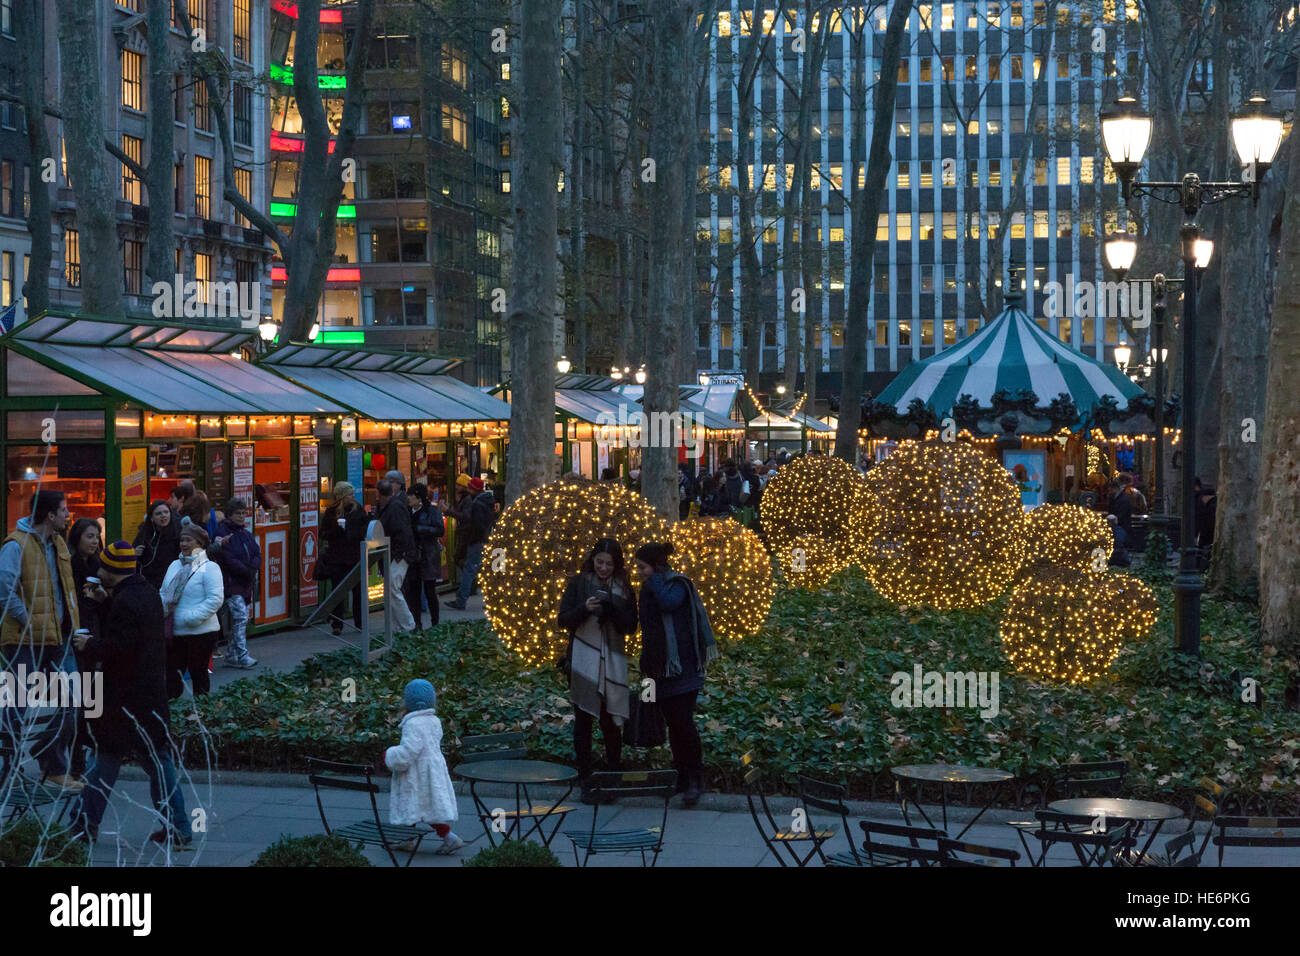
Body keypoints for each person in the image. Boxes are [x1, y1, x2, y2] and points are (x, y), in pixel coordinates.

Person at [72, 542, 191, 846]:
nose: (99, 573)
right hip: (149, 695)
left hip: (127, 699)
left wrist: (90, 646)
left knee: (109, 757)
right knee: (153, 760)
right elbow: (134, 629)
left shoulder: (125, 601)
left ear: (113, 572)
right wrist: (104, 602)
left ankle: (85, 824)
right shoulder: (144, 592)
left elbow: (121, 647)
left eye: (103, 568)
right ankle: (178, 826)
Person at [0, 490, 81, 790]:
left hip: (57, 636)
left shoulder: (58, 543)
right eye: (63, 509)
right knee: (16, 705)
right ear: (49, 515)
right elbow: (4, 590)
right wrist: (29, 621)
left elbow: (62, 588)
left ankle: (52, 763)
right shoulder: (15, 545)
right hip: (23, 640)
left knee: (72, 700)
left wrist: (72, 622)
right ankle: (5, 771)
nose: (67, 514)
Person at [633, 541, 717, 807]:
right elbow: (647, 628)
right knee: (673, 725)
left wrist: (655, 579)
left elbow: (668, 605)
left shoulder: (676, 585)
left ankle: (695, 778)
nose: (639, 572)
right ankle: (681, 776)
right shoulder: (649, 588)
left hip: (684, 667)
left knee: (684, 724)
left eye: (643, 567)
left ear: (656, 566)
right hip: (659, 668)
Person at [557, 539, 638, 803]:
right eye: (599, 562)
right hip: (582, 662)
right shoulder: (579, 584)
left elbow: (631, 626)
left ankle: (613, 773)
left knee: (610, 720)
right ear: (592, 560)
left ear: (617, 565)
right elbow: (563, 619)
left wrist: (612, 609)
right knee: (583, 721)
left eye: (609, 564)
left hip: (612, 662)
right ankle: (585, 775)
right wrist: (585, 609)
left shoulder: (625, 589)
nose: (603, 568)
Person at [384, 679, 464, 855]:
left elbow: (408, 752)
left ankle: (447, 837)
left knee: (413, 804)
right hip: (431, 771)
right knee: (425, 807)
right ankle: (411, 839)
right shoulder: (434, 720)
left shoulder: (413, 724)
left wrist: (390, 755)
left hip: (416, 774)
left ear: (408, 701)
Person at [161, 523, 224, 699]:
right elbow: (164, 592)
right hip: (175, 631)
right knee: (172, 677)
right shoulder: (174, 565)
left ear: (200, 543)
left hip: (201, 632)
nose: (184, 543)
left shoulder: (209, 567)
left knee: (199, 675)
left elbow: (215, 599)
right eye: (182, 540)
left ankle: (201, 716)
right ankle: (174, 715)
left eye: (188, 540)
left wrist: (191, 618)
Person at [66, 518, 103, 778]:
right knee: (75, 702)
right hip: (73, 636)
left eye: (96, 536)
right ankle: (74, 760)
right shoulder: (69, 567)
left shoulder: (98, 566)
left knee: (93, 699)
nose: (94, 541)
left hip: (94, 635)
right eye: (89, 536)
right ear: (77, 538)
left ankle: (90, 754)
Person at [209, 497, 260, 669]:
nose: (241, 516)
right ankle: (242, 654)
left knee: (241, 618)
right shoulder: (223, 533)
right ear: (230, 515)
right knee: (240, 617)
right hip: (231, 583)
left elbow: (256, 553)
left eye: (243, 513)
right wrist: (248, 569)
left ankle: (232, 654)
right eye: (237, 513)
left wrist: (252, 567)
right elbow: (227, 558)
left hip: (245, 582)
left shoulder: (245, 534)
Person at [319, 481, 363, 636]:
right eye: (350, 494)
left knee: (358, 591)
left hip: (354, 556)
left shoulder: (358, 510)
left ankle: (360, 622)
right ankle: (337, 623)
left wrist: (352, 533)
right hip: (337, 557)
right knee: (337, 591)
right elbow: (323, 533)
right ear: (342, 496)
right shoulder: (331, 512)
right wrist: (336, 531)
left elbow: (363, 529)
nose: (353, 497)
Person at [375, 478, 418, 632]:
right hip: (399, 552)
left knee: (392, 586)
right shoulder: (392, 506)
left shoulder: (392, 508)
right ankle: (402, 625)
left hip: (400, 553)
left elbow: (401, 532)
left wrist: (400, 553)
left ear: (380, 494)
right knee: (392, 587)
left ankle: (407, 624)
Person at [446, 478, 495, 611]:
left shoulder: (477, 504)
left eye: (469, 488)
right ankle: (493, 599)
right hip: (484, 539)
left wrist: (472, 539)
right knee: (484, 570)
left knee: (469, 570)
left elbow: (476, 525)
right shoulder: (486, 501)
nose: (467, 490)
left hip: (477, 541)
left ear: (474, 489)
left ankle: (461, 600)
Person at [409, 484, 444, 630]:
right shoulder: (407, 511)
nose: (407, 499)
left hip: (428, 554)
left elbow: (439, 530)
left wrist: (420, 529)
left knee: (430, 590)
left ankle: (435, 622)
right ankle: (417, 623)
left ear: (418, 498)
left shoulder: (432, 511)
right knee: (414, 591)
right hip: (414, 555)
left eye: (410, 496)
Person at [133, 499, 181, 591]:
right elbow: (136, 561)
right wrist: (134, 553)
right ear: (151, 517)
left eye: (166, 512)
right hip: (149, 581)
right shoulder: (145, 533)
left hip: (171, 580)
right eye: (158, 514)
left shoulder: (177, 532)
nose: (163, 516)